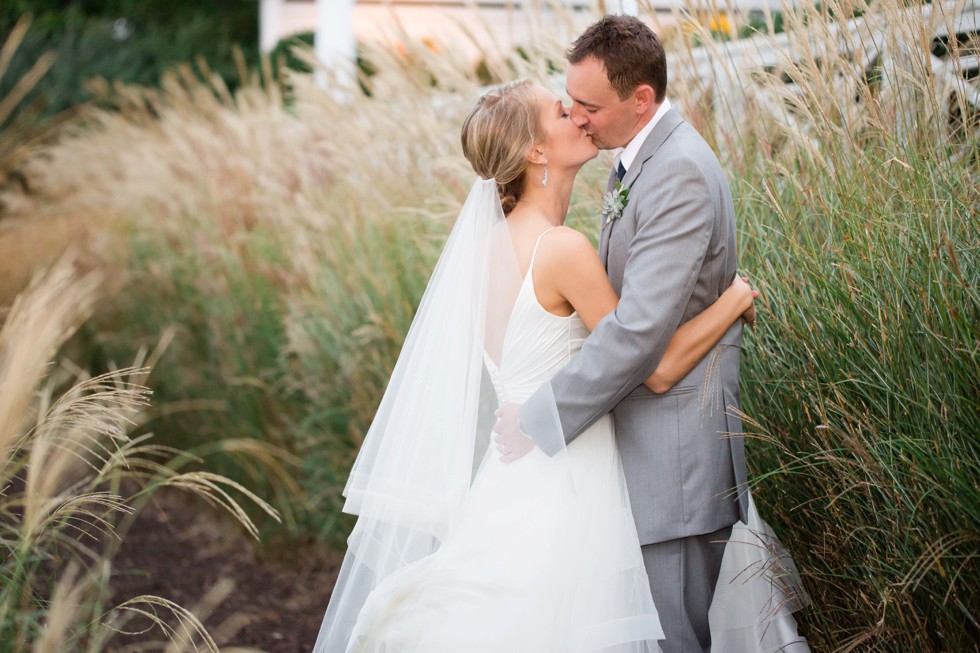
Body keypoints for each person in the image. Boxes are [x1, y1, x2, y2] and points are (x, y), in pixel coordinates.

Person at [311, 78, 759, 653]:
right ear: (536, 151)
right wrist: (734, 299)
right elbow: (658, 365)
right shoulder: (561, 250)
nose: (576, 113)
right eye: (559, 110)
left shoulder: (486, 249)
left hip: (511, 477)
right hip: (569, 480)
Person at [493, 15, 809, 653]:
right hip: (643, 460)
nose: (577, 118)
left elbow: (636, 334)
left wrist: (540, 416)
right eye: (570, 103)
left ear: (641, 100)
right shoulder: (635, 162)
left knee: (676, 641)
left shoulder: (678, 171)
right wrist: (729, 301)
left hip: (678, 468)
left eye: (588, 107)